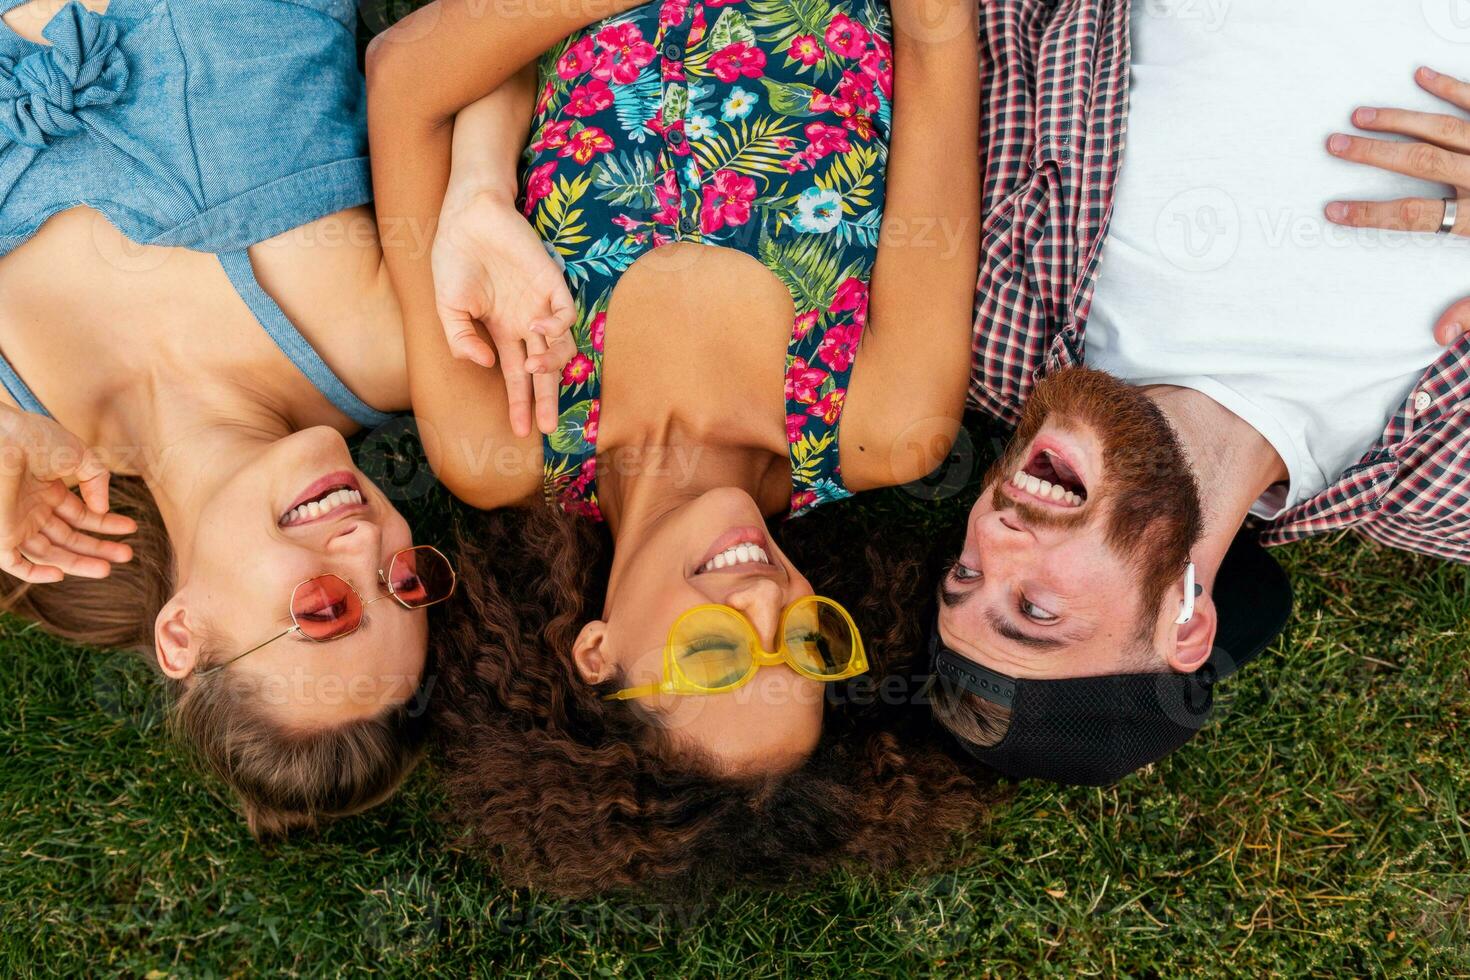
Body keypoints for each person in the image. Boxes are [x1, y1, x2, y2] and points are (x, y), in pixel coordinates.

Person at [367, 0, 985, 893]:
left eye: (715, 653)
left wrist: (479, 193)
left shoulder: (499, 436)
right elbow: (937, 37)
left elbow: (404, 87)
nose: (766, 600)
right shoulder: (886, 422)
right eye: (806, 646)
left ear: (596, 652)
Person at [929, 0, 1470, 784]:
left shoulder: (992, 319)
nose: (995, 536)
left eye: (965, 575)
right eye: (1036, 611)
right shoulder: (1445, 487)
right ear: (1185, 625)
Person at [0, 0, 486, 837]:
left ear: (183, 633)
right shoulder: (387, 348)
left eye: (325, 609)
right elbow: (469, 70)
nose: (373, 545)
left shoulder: (19, 430)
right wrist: (486, 188)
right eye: (406, 585)